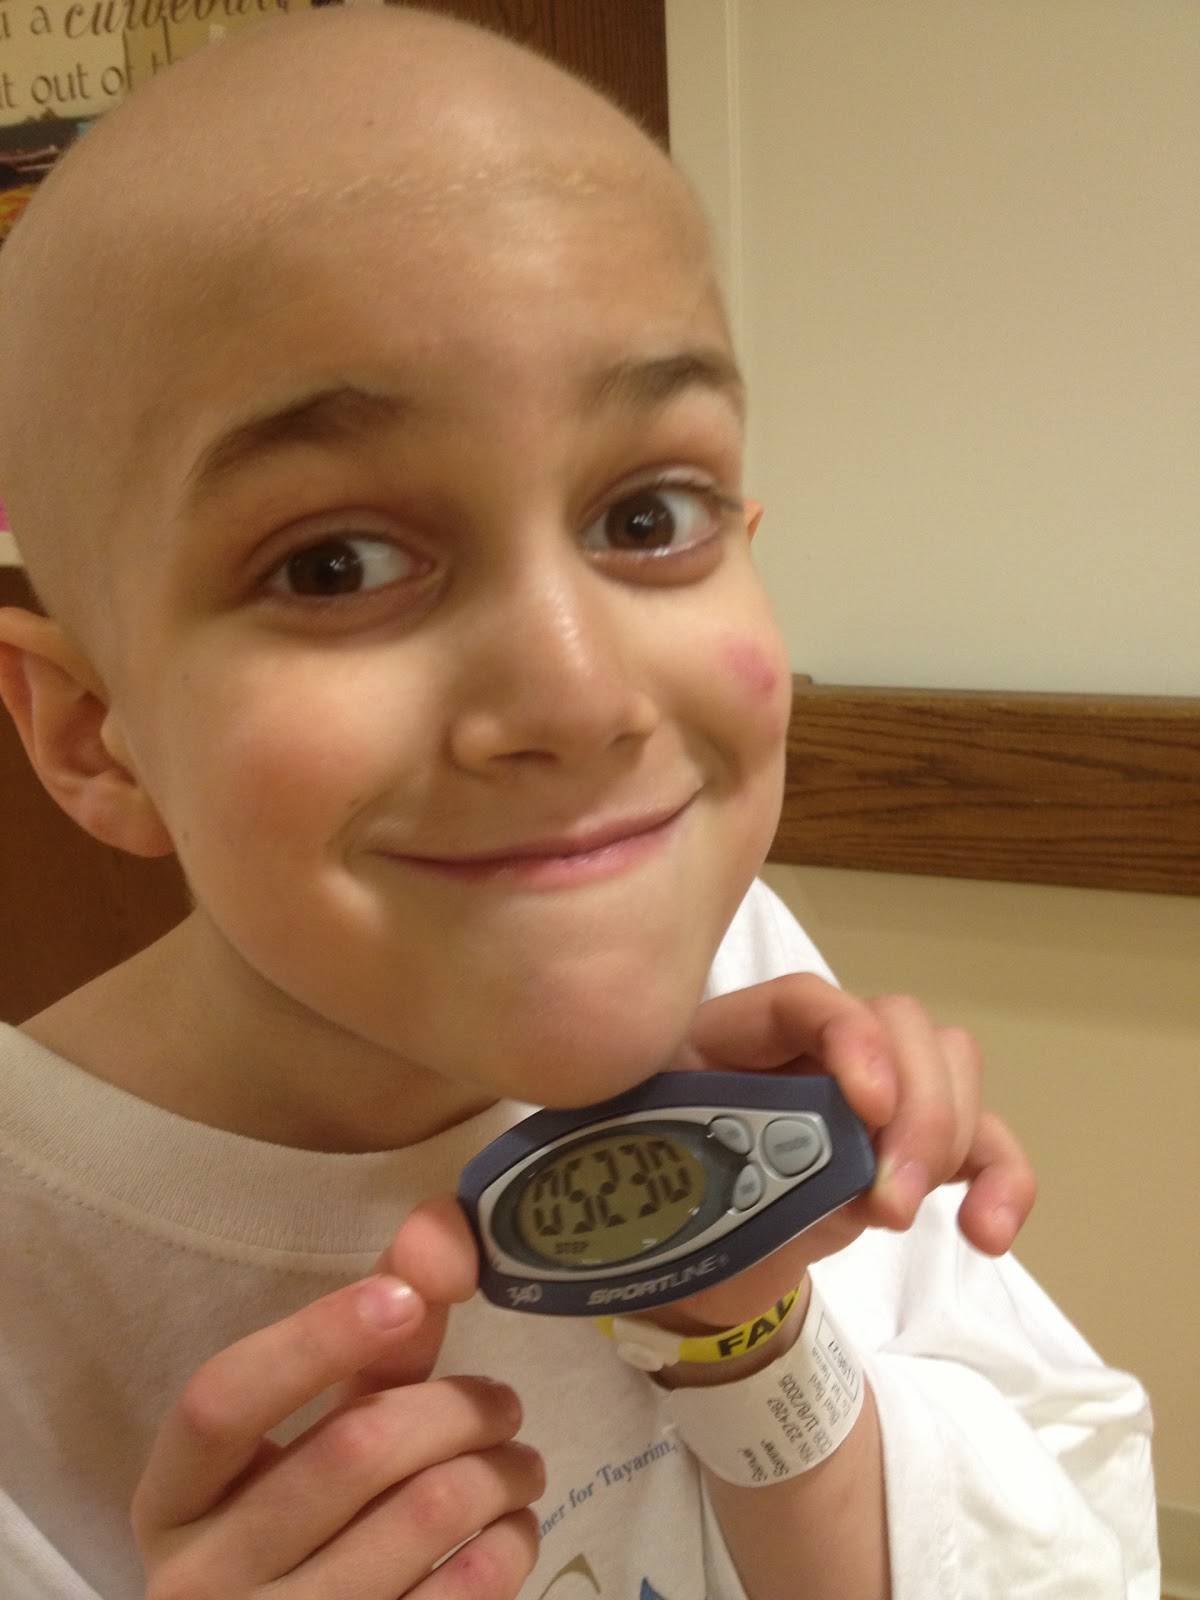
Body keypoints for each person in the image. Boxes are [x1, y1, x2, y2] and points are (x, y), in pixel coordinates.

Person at [0, 9, 1157, 1599]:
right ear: (94, 736)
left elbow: (1080, 1538)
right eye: (333, 563)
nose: (578, 694)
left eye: (648, 517)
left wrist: (746, 1335)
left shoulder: (743, 978)